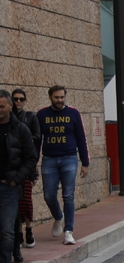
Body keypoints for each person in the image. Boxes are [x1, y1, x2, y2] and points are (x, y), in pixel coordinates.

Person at [37, 85, 90, 246]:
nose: (60, 100)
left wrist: (85, 162)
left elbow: (81, 138)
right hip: (49, 159)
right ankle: (59, 216)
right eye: (56, 97)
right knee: (48, 194)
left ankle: (68, 231)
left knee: (68, 195)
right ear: (50, 98)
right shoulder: (42, 114)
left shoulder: (73, 113)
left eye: (62, 97)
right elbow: (37, 140)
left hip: (69, 158)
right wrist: (33, 162)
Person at [0, 89, 37, 263]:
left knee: (7, 229)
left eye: (2, 106)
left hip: (10, 188)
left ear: (10, 106)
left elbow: (31, 158)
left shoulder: (20, 129)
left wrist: (16, 179)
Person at [12, 89, 41, 259]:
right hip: (13, 168)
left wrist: (23, 136)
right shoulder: (9, 120)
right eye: (15, 99)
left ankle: (29, 229)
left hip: (27, 167)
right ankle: (19, 233)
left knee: (27, 200)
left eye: (21, 99)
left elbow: (37, 138)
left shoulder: (30, 117)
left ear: (25, 100)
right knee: (15, 204)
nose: (18, 102)